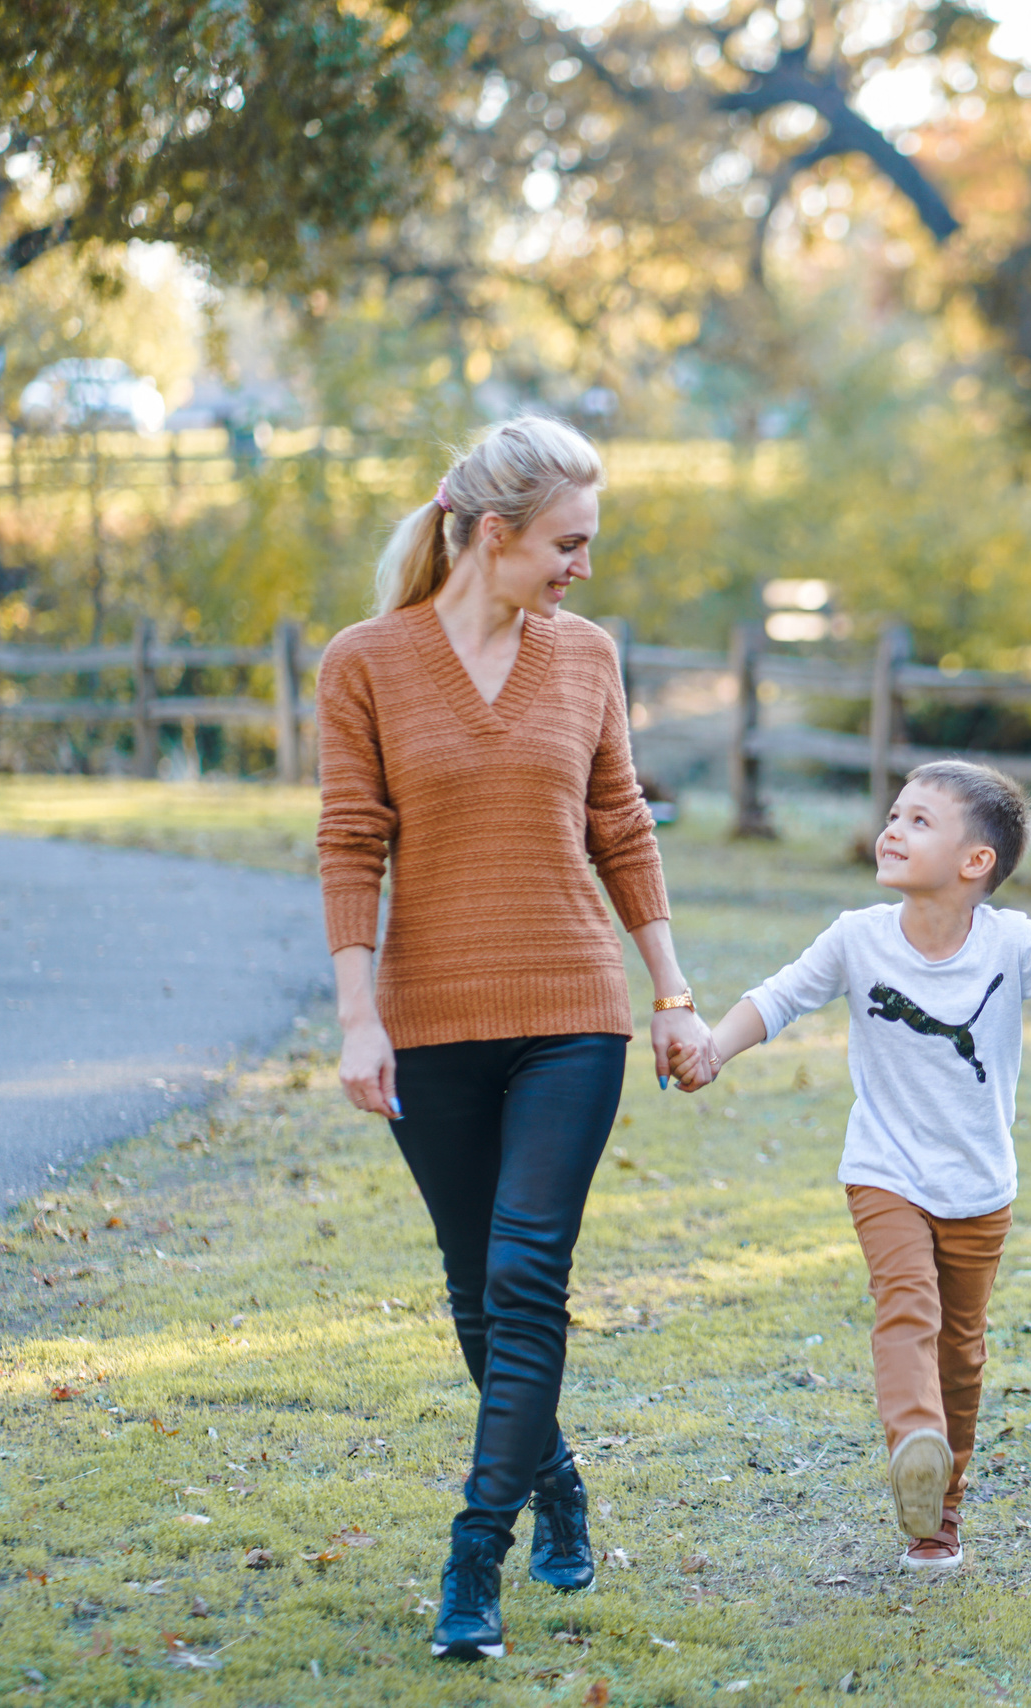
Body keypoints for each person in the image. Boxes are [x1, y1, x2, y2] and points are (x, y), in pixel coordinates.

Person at [317, 415, 716, 1661]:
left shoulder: (586, 655)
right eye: (568, 542)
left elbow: (622, 826)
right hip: (430, 1020)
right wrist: (356, 1016)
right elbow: (349, 841)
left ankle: (473, 1555)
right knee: (477, 1297)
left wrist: (670, 989)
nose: (582, 566)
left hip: (573, 1014)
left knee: (527, 1274)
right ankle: (558, 1482)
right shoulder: (365, 663)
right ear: (495, 536)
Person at [668, 762, 1031, 1571]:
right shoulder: (858, 936)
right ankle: (914, 1434)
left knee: (962, 1350)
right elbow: (776, 999)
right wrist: (712, 1046)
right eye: (894, 814)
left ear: (974, 862)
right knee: (906, 1306)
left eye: (920, 821)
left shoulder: (1013, 942)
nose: (892, 829)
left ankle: (936, 1518)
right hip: (885, 1169)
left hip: (981, 1186)